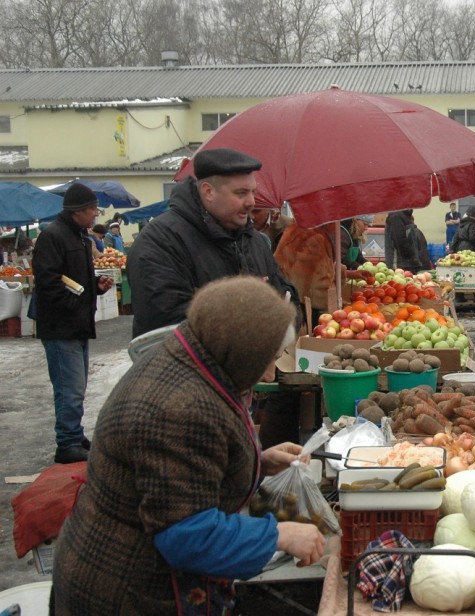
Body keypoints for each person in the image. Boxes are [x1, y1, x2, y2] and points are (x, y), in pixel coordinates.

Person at [52, 276, 327, 614]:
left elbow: (182, 472)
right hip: (127, 590)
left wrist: (255, 462)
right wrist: (277, 536)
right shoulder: (179, 408)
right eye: (268, 358)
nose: (270, 374)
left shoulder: (194, 356)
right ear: (239, 351)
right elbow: (185, 534)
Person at [127, 148, 299, 339]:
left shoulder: (254, 240)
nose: (251, 202)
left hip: (251, 366)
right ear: (208, 191)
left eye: (253, 192)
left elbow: (285, 296)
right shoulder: (160, 242)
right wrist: (252, 314)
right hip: (188, 367)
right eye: (241, 193)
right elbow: (164, 325)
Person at [32, 183, 114, 464]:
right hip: (61, 326)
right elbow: (48, 283)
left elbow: (73, 281)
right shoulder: (53, 237)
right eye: (92, 209)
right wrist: (76, 306)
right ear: (78, 211)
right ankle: (67, 442)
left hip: (76, 324)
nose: (95, 214)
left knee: (76, 386)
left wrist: (95, 286)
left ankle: (74, 435)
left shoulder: (79, 237)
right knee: (70, 387)